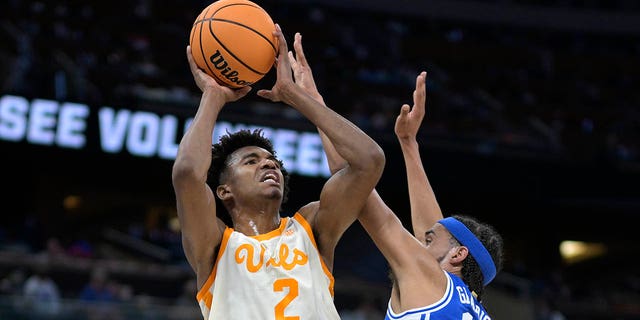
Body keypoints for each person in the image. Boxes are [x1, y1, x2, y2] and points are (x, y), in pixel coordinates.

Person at [172, 23, 385, 320]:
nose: (269, 163)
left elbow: (369, 160)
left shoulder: (311, 228)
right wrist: (212, 96)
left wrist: (294, 95)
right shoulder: (215, 244)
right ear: (224, 191)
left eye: (272, 160)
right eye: (251, 161)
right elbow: (186, 173)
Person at [287, 32, 504, 319]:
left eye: (427, 241)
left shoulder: (428, 279)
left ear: (459, 255)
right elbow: (432, 227)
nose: (418, 241)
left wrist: (310, 100)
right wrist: (409, 144)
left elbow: (351, 181)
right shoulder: (473, 308)